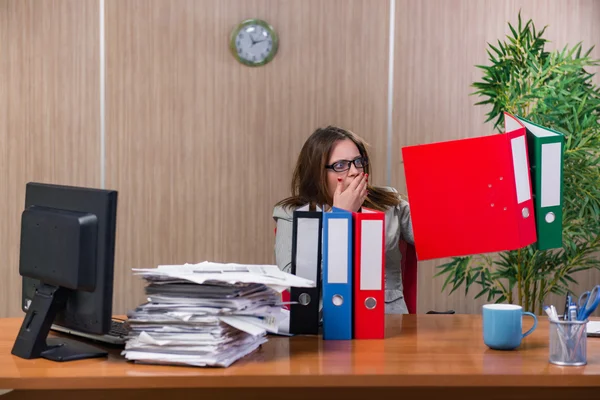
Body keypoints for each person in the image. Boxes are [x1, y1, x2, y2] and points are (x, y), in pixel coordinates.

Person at [272, 125, 414, 314]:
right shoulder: (291, 213)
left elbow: (436, 235)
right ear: (317, 174)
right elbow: (295, 281)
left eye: (358, 161)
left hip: (385, 319)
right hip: (324, 324)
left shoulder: (388, 202)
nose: (355, 171)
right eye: (340, 165)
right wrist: (340, 217)